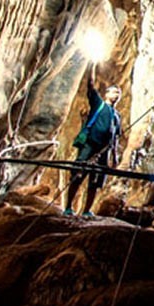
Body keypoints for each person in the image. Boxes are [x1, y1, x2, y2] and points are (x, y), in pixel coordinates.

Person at [64, 66, 122, 217]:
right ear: (107, 93)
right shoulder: (99, 104)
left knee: (95, 182)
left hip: (104, 151)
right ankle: (68, 207)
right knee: (78, 174)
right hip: (90, 144)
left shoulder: (117, 116)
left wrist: (115, 157)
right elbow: (90, 86)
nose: (116, 95)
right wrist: (92, 65)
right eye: (114, 92)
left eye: (118, 93)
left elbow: (115, 137)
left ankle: (86, 210)